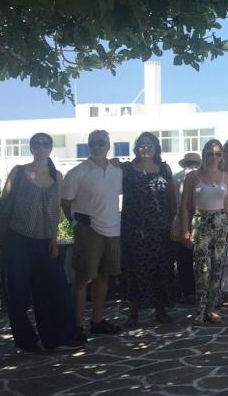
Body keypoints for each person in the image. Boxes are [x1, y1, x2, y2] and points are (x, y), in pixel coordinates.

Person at [0, 133, 83, 352]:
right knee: (17, 293)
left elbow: (56, 210)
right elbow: (4, 203)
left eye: (45, 144)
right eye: (36, 144)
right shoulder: (19, 172)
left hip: (45, 241)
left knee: (54, 290)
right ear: (31, 148)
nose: (41, 147)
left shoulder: (57, 176)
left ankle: (59, 337)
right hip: (17, 239)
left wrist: (53, 238)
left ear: (51, 148)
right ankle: (26, 341)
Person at [62, 130, 124, 341]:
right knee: (82, 278)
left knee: (104, 276)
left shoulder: (117, 171)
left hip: (112, 229)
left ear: (108, 146)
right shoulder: (77, 172)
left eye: (101, 143)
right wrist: (76, 224)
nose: (97, 147)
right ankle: (77, 325)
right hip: (89, 230)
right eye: (92, 143)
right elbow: (65, 202)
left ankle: (97, 321)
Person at [120, 132, 177, 326]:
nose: (146, 148)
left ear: (156, 148)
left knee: (161, 268)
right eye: (142, 145)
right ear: (136, 149)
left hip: (160, 228)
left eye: (150, 144)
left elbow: (171, 199)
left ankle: (160, 311)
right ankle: (133, 314)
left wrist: (172, 222)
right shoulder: (126, 169)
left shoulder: (164, 168)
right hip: (134, 228)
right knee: (135, 269)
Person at [178, 139, 228, 324]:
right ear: (204, 154)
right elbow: (185, 205)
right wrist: (185, 230)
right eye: (210, 153)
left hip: (220, 222)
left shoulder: (226, 176)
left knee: (217, 267)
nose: (214, 157)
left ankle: (211, 308)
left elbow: (226, 202)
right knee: (202, 268)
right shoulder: (193, 176)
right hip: (201, 222)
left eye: (218, 154)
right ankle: (200, 309)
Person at [173, 152, 201, 304]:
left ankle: (188, 292)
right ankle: (199, 291)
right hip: (199, 221)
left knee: (184, 260)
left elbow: (171, 202)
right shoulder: (202, 177)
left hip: (179, 221)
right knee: (199, 259)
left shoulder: (176, 177)